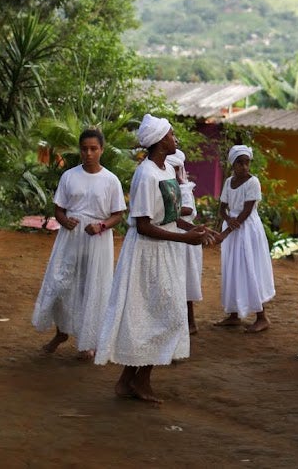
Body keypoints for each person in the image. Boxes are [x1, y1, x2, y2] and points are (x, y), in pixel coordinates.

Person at [94, 114, 213, 404]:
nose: (176, 139)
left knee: (158, 315)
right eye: (172, 135)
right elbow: (144, 225)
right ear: (160, 141)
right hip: (147, 254)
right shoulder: (146, 174)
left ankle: (127, 381)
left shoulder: (166, 171)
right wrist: (186, 239)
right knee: (162, 315)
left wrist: (193, 228)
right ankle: (140, 382)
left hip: (166, 251)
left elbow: (170, 216)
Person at [31, 128, 127, 360]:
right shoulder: (69, 176)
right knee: (61, 283)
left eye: (94, 149)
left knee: (92, 287)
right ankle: (61, 333)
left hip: (97, 241)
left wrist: (101, 226)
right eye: (84, 149)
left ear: (101, 150)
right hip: (70, 239)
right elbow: (59, 208)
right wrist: (65, 221)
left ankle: (88, 342)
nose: (89, 153)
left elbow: (118, 214)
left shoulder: (111, 180)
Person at [214, 144, 275, 333]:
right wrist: (227, 220)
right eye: (240, 163)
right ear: (233, 164)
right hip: (233, 228)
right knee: (232, 269)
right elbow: (222, 208)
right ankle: (233, 315)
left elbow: (247, 211)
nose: (244, 167)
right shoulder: (228, 182)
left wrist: (225, 232)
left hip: (247, 230)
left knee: (250, 268)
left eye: (247, 163)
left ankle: (262, 317)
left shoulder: (253, 182)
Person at [167, 150, 203, 335]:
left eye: (176, 169)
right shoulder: (166, 186)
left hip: (185, 240)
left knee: (185, 281)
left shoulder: (184, 188)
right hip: (174, 238)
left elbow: (189, 210)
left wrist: (166, 209)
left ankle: (190, 322)